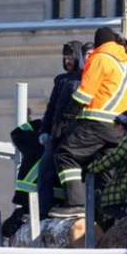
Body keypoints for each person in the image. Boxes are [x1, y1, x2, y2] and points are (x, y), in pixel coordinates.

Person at [51, 27, 127, 217]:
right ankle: (110, 215)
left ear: (98, 43)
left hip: (97, 121)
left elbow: (84, 94)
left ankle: (77, 204)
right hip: (119, 127)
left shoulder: (99, 58)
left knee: (66, 154)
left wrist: (67, 117)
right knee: (105, 169)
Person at [37, 41, 86, 216]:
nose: (68, 61)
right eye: (65, 57)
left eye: (71, 57)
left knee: (70, 175)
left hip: (74, 136)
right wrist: (44, 131)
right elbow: (51, 109)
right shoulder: (61, 81)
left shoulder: (85, 79)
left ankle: (72, 205)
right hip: (55, 137)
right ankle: (44, 211)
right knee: (45, 174)